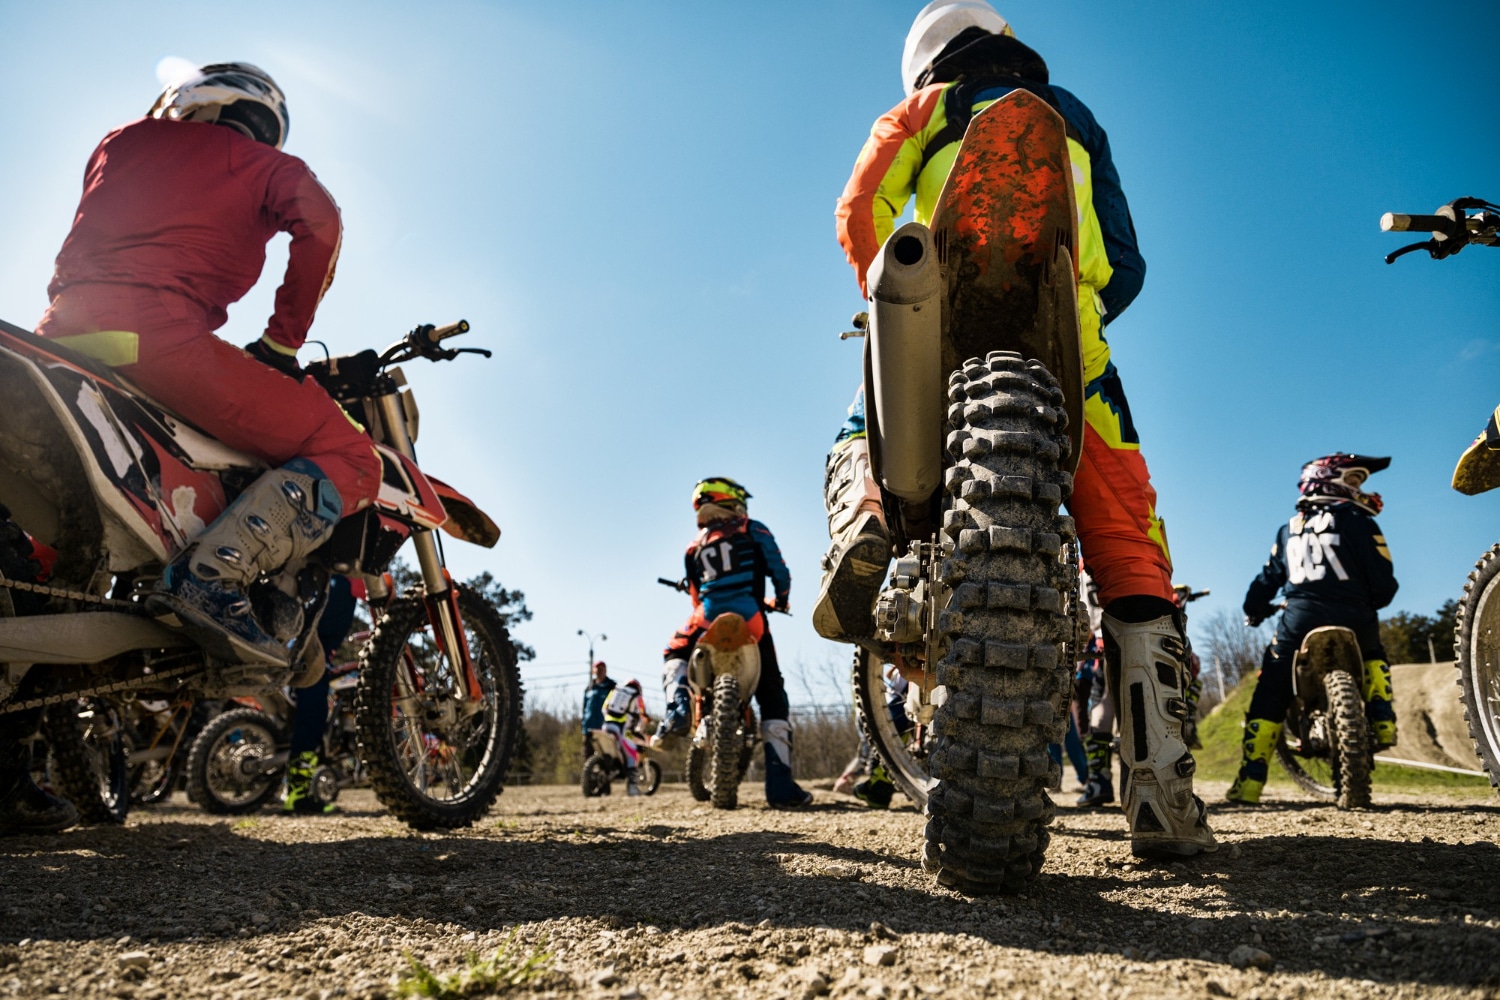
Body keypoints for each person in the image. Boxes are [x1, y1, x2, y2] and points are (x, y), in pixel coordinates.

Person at [818, 0, 1214, 856]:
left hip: (932, 312)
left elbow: (859, 209)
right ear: (1004, 41)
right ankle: (1162, 793)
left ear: (925, 59)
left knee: (862, 427)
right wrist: (1086, 316)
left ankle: (866, 522)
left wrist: (883, 301)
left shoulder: (921, 109)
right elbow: (1126, 256)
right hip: (1067, 338)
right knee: (1132, 548)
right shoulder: (1073, 112)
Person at [34, 62, 380, 665]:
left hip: (58, 334)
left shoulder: (118, 141)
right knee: (354, 457)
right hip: (156, 339)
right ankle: (213, 579)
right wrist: (281, 342)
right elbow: (321, 224)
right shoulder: (266, 166)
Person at [1228, 454, 1399, 804]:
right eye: (1353, 481)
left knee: (1272, 684)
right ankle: (1383, 720)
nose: (1359, 490)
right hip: (1354, 613)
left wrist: (1254, 610)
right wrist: (1370, 600)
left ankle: (1250, 780)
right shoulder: (1360, 521)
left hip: (1300, 615)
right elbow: (1384, 581)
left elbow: (1266, 580)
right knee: (1372, 653)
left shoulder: (1288, 529)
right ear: (1327, 479)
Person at [656, 478, 812, 807]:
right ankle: (781, 788)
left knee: (673, 652)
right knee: (772, 695)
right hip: (751, 619)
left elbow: (696, 597)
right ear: (733, 501)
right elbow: (780, 572)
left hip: (706, 620)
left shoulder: (693, 547)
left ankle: (677, 708)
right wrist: (782, 599)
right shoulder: (753, 528)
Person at [282, 574, 359, 815]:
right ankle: (297, 794)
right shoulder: (344, 581)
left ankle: (295, 789)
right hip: (310, 661)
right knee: (313, 714)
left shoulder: (342, 580)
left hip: (307, 654)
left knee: (309, 715)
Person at [601, 679, 648, 795]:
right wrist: (640, 727)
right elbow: (643, 716)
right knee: (632, 755)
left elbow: (604, 708)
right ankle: (632, 788)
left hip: (606, 725)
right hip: (624, 730)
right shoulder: (637, 696)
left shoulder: (615, 691)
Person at [581, 661, 616, 759]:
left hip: (605, 728)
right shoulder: (589, 688)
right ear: (593, 671)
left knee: (607, 758)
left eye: (602, 669)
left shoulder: (612, 687)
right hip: (589, 728)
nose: (600, 671)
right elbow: (584, 709)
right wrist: (583, 724)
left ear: (606, 670)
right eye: (597, 669)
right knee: (588, 758)